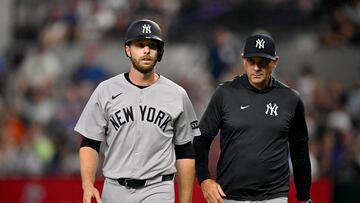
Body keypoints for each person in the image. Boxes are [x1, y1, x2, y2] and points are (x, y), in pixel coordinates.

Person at [75, 19, 200, 203]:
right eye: (140, 45)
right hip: (114, 189)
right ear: (128, 49)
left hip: (158, 188)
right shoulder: (106, 90)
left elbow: (185, 151)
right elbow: (90, 142)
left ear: (159, 51)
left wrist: (185, 200)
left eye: (152, 45)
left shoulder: (177, 94)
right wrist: (87, 185)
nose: (146, 50)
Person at [194, 33, 312, 203]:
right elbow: (201, 140)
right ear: (243, 60)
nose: (256, 67)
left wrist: (304, 196)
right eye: (252, 61)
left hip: (274, 196)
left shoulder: (291, 99)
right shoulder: (225, 93)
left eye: (263, 62)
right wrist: (204, 179)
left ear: (274, 62)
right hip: (231, 196)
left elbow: (299, 150)